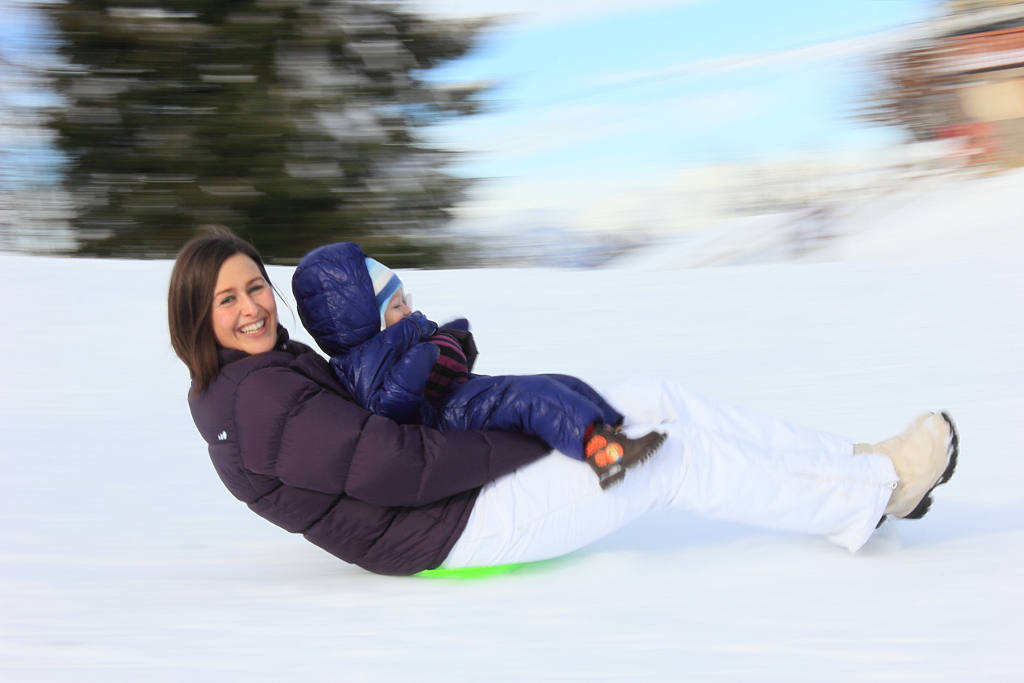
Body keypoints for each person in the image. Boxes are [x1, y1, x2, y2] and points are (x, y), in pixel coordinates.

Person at [169, 227, 959, 577]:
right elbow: (389, 467)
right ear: (197, 320)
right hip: (445, 530)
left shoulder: (268, 372)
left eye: (255, 286)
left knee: (652, 396)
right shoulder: (260, 398)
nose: (251, 306)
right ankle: (876, 493)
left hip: (447, 504)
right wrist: (540, 436)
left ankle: (859, 471)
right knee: (662, 457)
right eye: (227, 300)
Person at [290, 241, 665, 490]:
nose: (408, 309)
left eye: (406, 299)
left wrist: (446, 341)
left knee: (552, 382)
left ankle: (614, 427)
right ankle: (603, 454)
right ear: (368, 319)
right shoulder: (361, 363)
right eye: (396, 304)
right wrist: (423, 355)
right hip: (443, 419)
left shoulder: (388, 342)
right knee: (529, 398)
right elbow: (385, 407)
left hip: (453, 398)